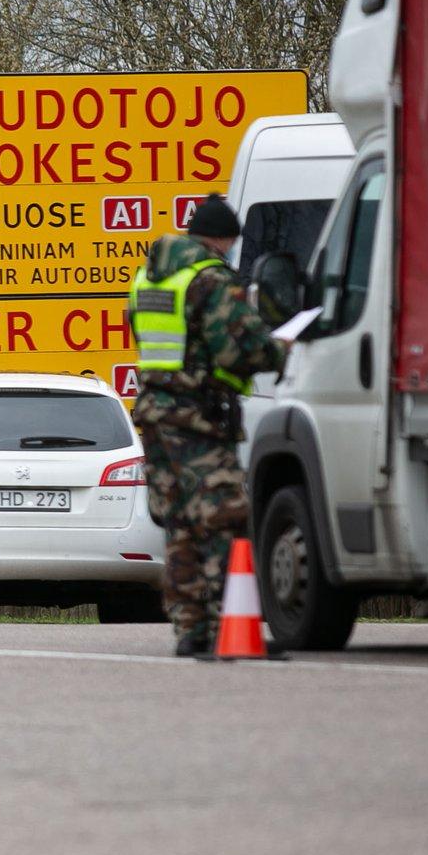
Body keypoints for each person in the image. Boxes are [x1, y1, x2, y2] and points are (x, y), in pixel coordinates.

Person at [126, 195, 287, 655]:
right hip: (198, 416)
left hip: (156, 416)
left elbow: (142, 332)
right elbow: (241, 349)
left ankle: (190, 630)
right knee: (224, 519)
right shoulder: (211, 280)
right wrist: (279, 349)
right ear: (222, 238)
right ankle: (228, 626)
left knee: (178, 524)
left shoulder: (148, 277)